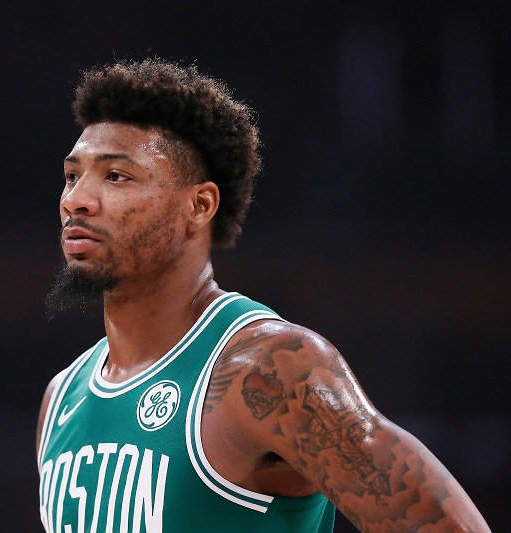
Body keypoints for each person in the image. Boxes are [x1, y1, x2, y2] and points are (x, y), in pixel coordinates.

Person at [36, 58, 490, 532]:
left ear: (199, 206)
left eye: (116, 176)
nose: (76, 200)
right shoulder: (62, 397)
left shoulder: (268, 370)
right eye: (72, 176)